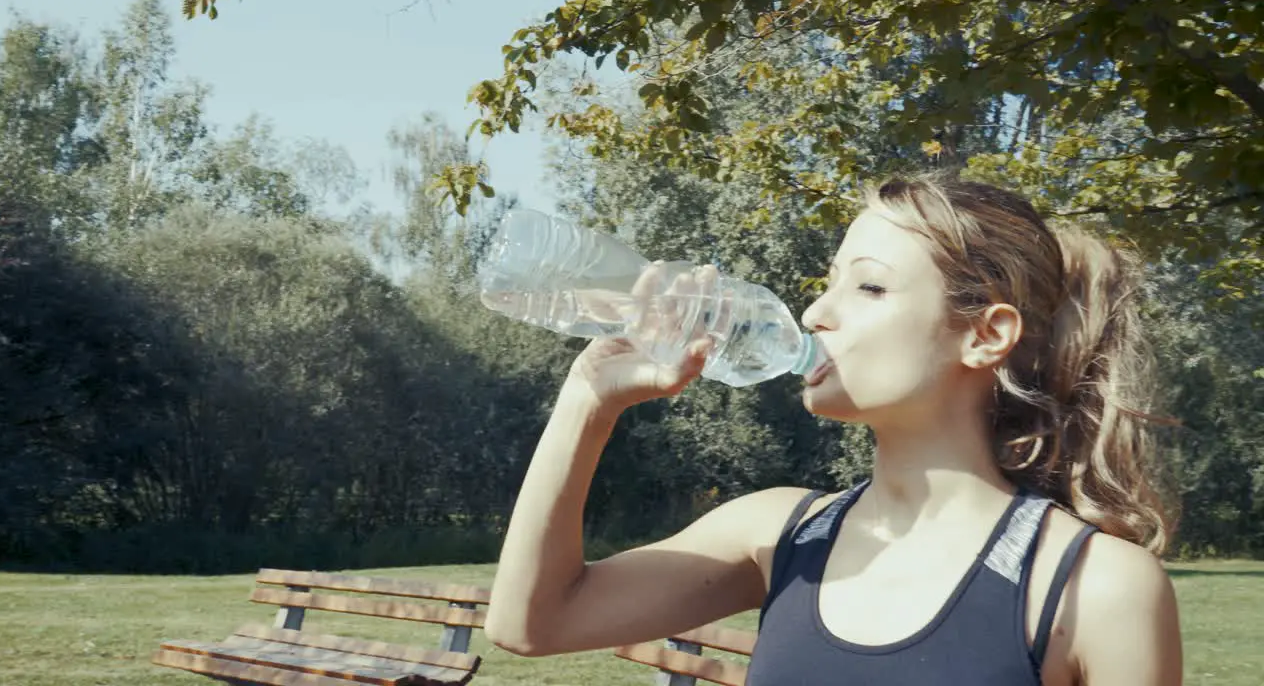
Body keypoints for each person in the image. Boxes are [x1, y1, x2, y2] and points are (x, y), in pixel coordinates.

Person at [483, 174, 1184, 685]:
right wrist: (588, 399)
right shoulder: (779, 535)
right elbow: (530, 623)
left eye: (868, 286)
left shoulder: (1095, 588)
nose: (817, 311)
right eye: (828, 281)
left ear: (986, 334)